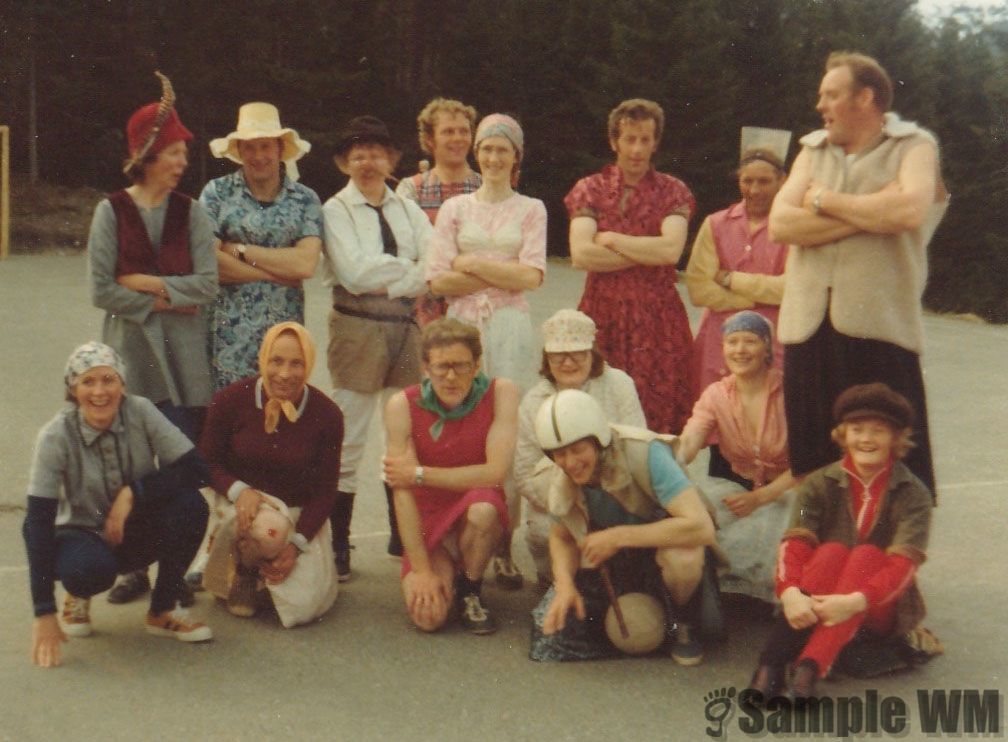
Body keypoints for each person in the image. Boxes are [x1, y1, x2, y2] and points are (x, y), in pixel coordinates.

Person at [768, 51, 948, 498]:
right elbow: (780, 225)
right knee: (813, 465)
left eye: (830, 94)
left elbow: (909, 209)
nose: (820, 105)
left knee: (893, 462)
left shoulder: (914, 146)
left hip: (880, 331)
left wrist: (822, 201)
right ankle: (813, 558)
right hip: (807, 331)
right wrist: (865, 214)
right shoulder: (812, 150)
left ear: (865, 97)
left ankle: (894, 565)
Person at [86, 72, 217, 605]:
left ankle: (174, 572)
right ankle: (133, 568)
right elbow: (101, 289)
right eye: (174, 152)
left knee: (180, 466)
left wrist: (148, 286)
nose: (183, 161)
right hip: (134, 359)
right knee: (133, 465)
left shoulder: (194, 212)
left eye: (184, 152)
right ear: (146, 155)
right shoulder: (110, 211)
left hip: (184, 361)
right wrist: (168, 301)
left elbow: (206, 286)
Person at [24, 342, 214, 668]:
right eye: (88, 382)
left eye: (108, 380)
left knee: (191, 506)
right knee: (87, 571)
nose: (100, 392)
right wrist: (43, 611)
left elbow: (196, 469)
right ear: (73, 388)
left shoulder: (139, 410)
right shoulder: (55, 436)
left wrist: (135, 492)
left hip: (131, 527)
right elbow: (37, 521)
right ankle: (77, 594)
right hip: (80, 535)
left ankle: (163, 609)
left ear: (122, 384)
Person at [746, 383, 932, 700]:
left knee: (866, 556)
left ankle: (810, 667)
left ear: (895, 439)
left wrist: (854, 602)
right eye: (857, 429)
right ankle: (772, 665)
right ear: (843, 434)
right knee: (830, 550)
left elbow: (903, 566)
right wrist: (789, 591)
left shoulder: (913, 493)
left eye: (878, 431)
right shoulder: (817, 484)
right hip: (820, 588)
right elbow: (796, 539)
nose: (867, 439)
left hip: (877, 604)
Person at [427, 112, 547, 589]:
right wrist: (499, 269)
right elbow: (438, 278)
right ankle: (455, 536)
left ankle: (504, 546)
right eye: (487, 148)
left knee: (509, 427)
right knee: (460, 422)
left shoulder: (531, 208)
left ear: (516, 157)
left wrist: (471, 261)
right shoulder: (456, 210)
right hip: (460, 325)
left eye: (503, 149)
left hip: (511, 326)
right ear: (477, 153)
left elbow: (532, 276)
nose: (494, 157)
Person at [530, 389, 721, 665]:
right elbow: (561, 538)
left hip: (662, 548)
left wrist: (618, 537)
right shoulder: (551, 476)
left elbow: (700, 527)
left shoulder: (646, 453)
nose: (570, 462)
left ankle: (683, 622)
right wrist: (564, 584)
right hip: (616, 559)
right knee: (553, 633)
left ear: (598, 440)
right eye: (559, 454)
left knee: (684, 557)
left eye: (578, 449)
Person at [321, 116, 434, 577]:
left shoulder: (408, 209)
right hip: (357, 327)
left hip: (407, 328)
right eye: (358, 154)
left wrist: (402, 272)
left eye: (377, 153)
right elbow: (354, 274)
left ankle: (400, 534)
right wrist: (406, 272)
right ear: (345, 161)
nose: (368, 162)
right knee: (349, 436)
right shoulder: (335, 210)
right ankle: (340, 545)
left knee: (404, 432)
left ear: (392, 159)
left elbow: (434, 263)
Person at [565, 98, 696, 435]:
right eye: (629, 139)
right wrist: (644, 251)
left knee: (656, 412)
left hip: (657, 319)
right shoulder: (589, 190)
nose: (637, 149)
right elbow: (581, 254)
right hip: (601, 312)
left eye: (645, 140)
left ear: (656, 143)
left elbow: (670, 251)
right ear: (614, 141)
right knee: (595, 409)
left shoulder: (673, 191)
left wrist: (612, 238)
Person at [198, 322, 343, 621]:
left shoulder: (328, 414)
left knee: (304, 609)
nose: (285, 374)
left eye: (296, 363)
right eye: (276, 361)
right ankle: (245, 571)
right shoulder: (230, 400)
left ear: (309, 364)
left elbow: (326, 490)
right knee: (267, 531)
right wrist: (240, 490)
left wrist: (297, 545)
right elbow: (205, 463)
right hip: (242, 506)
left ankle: (268, 570)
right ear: (262, 358)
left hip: (296, 511)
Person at [382, 319, 519, 634]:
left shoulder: (502, 392)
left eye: (461, 366)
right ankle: (444, 572)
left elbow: (495, 473)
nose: (452, 376)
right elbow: (401, 490)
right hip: (428, 518)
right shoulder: (402, 404)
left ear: (477, 365)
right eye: (442, 367)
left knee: (484, 509)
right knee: (428, 619)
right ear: (426, 367)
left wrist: (418, 474)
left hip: (475, 509)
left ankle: (470, 589)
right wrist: (420, 570)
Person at [513, 309, 645, 587]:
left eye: (578, 354)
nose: (568, 362)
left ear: (592, 353)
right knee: (542, 531)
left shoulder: (619, 384)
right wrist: (569, 505)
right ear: (547, 358)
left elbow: (636, 445)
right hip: (560, 498)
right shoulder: (533, 401)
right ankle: (560, 581)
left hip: (617, 492)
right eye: (558, 356)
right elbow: (524, 473)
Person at [200, 101, 323, 390]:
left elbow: (305, 263)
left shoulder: (305, 199)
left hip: (286, 342)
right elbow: (208, 262)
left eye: (265, 146)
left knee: (284, 417)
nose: (258, 156)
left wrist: (239, 250)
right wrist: (277, 274)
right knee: (229, 419)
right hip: (227, 339)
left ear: (280, 149)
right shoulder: (217, 193)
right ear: (239, 151)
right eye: (249, 148)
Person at [677, 311, 795, 603]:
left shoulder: (789, 391)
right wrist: (673, 459)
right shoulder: (716, 394)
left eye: (750, 341)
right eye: (732, 342)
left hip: (789, 490)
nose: (740, 350)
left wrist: (760, 498)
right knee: (696, 518)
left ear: (767, 348)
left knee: (780, 536)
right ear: (723, 348)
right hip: (742, 488)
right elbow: (692, 437)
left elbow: (810, 464)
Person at [685, 128, 790, 394]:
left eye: (764, 182)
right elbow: (698, 288)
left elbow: (792, 288)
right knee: (715, 413)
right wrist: (751, 301)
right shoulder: (716, 224)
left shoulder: (792, 228)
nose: (754, 190)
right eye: (747, 181)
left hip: (773, 341)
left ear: (783, 181)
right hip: (719, 341)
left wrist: (730, 279)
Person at [398, 97, 482, 327]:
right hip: (422, 310)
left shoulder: (487, 189)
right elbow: (406, 251)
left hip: (477, 307)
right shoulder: (411, 189)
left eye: (464, 131)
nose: (458, 138)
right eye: (448, 131)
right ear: (429, 139)